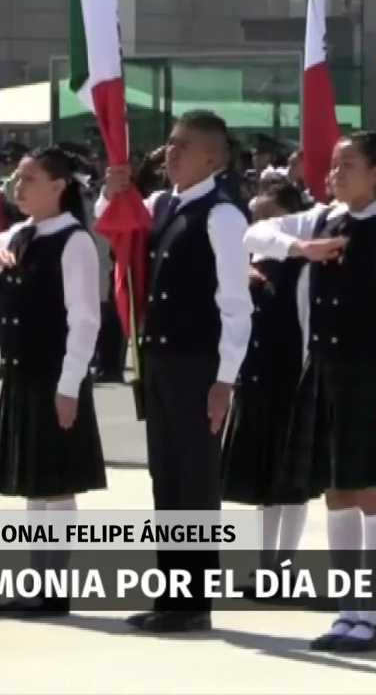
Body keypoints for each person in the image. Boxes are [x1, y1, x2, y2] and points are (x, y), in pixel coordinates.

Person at [244, 131, 376, 653]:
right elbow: (251, 234)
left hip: (370, 374)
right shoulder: (321, 219)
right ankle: (349, 611)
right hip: (322, 370)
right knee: (337, 490)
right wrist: (300, 247)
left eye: (348, 165)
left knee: (372, 490)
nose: (335, 173)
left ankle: (374, 614)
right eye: (333, 164)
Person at [98, 110, 253, 634]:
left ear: (214, 158)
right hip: (159, 360)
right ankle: (172, 592)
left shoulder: (223, 214)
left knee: (195, 479)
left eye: (183, 146)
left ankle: (194, 599)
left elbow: (235, 304)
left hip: (198, 362)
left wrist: (225, 379)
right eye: (169, 144)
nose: (170, 153)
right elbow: (113, 219)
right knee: (165, 477)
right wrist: (111, 187)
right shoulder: (161, 204)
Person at [0, 147, 108, 615]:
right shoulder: (22, 233)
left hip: (54, 373)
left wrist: (69, 385)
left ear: (59, 186)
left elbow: (84, 319)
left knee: (56, 481)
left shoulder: (73, 240)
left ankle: (55, 585)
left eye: (29, 179)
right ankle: (38, 578)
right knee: (32, 480)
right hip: (22, 372)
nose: (17, 188)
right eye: (15, 180)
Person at [222, 181, 319, 575]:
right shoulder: (248, 261)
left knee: (292, 482)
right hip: (254, 380)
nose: (260, 225)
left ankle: (286, 560)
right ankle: (263, 561)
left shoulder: (304, 268)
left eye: (269, 216)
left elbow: (307, 326)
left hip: (290, 380)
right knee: (262, 480)